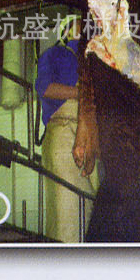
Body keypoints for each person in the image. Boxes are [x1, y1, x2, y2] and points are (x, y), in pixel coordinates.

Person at [36, 15, 99, 243]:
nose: (84, 29)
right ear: (65, 31)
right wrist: (81, 93)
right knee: (69, 208)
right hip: (62, 132)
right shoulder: (54, 54)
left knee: (92, 208)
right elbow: (44, 87)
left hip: (90, 138)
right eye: (79, 25)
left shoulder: (93, 63)